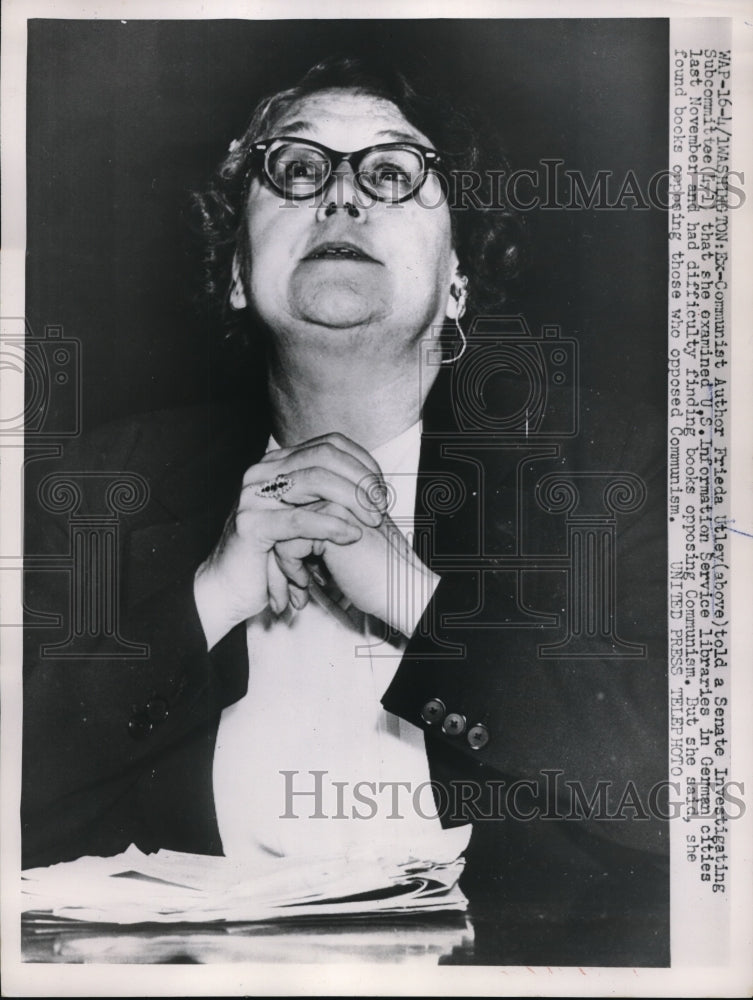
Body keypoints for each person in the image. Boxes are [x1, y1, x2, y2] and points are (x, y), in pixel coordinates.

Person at [22, 56, 668, 959]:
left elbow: (689, 801)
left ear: (456, 284)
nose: (340, 197)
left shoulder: (611, 473)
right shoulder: (105, 489)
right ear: (236, 272)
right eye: (294, 169)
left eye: (394, 174)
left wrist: (413, 597)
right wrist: (209, 596)